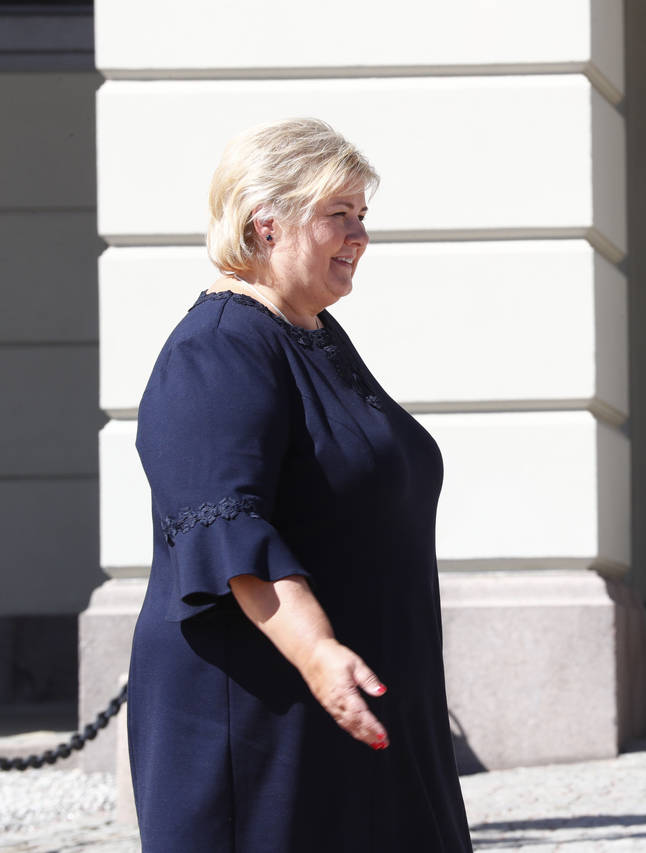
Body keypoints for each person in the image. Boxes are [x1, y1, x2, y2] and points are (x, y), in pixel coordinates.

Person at [127, 118, 473, 851]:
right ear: (266, 225)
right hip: (265, 720)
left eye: (363, 217)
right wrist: (318, 650)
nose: (359, 236)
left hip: (353, 713)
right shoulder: (216, 351)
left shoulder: (314, 336)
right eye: (338, 215)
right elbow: (227, 529)